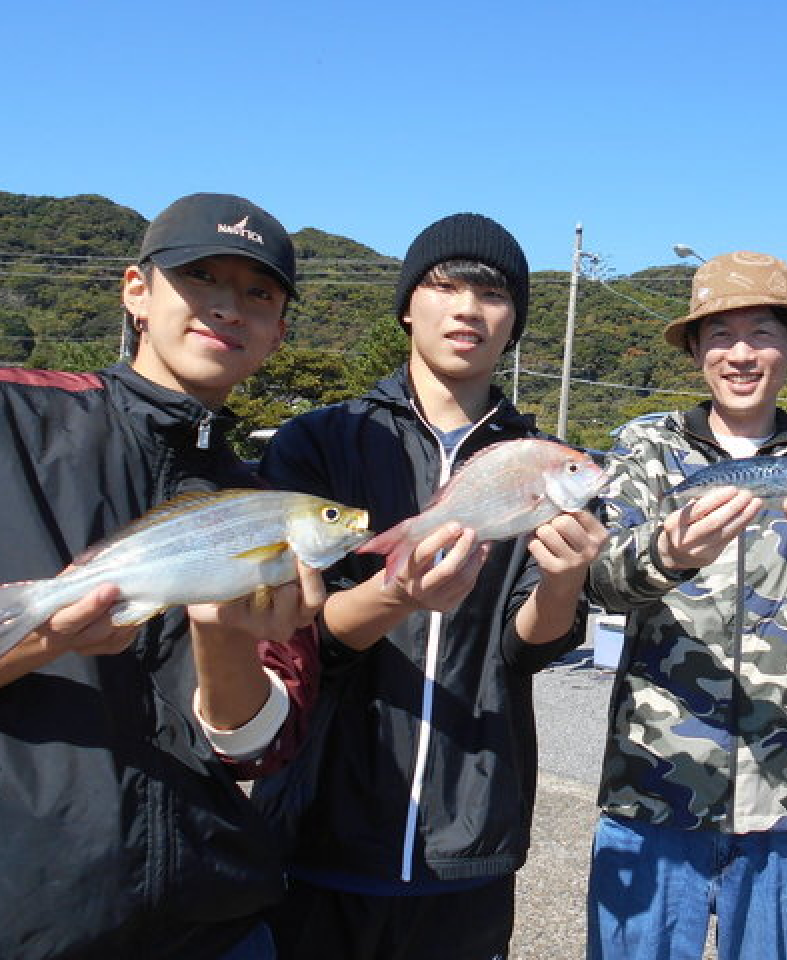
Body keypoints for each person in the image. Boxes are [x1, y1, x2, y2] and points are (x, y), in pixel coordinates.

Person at [257, 212, 609, 960]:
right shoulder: (319, 442)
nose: (467, 309)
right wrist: (399, 595)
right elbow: (302, 640)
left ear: (514, 323)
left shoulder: (546, 464)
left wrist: (565, 578)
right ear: (407, 306)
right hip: (325, 821)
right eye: (444, 286)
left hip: (471, 824)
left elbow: (526, 649)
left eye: (492, 294)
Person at [0, 192, 327, 959]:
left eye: (259, 294)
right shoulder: (16, 417)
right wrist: (46, 639)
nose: (228, 308)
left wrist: (223, 637)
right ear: (136, 291)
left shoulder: (262, 503)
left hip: (217, 926)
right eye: (200, 276)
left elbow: (255, 751)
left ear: (279, 332)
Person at [585, 251, 787, 960]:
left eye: (762, 333)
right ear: (696, 350)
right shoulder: (648, 449)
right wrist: (666, 552)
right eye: (720, 335)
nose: (741, 353)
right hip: (656, 781)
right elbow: (601, 577)